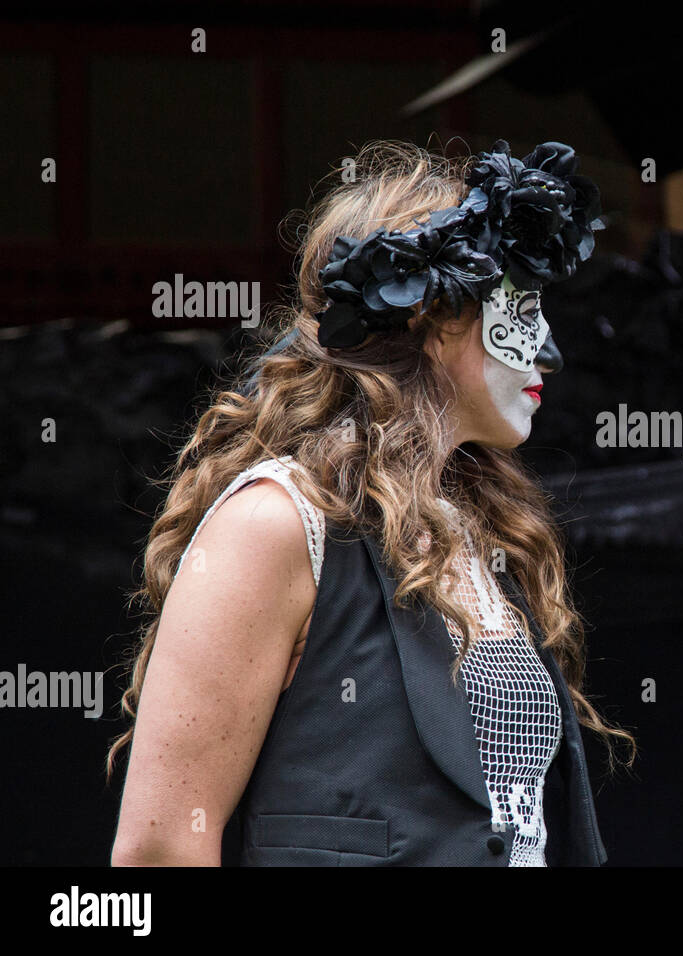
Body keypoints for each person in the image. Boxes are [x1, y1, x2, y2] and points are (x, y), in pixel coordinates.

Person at [108, 138, 631, 866]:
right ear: (429, 315)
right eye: (521, 304)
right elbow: (161, 847)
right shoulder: (276, 522)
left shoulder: (476, 530)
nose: (549, 348)